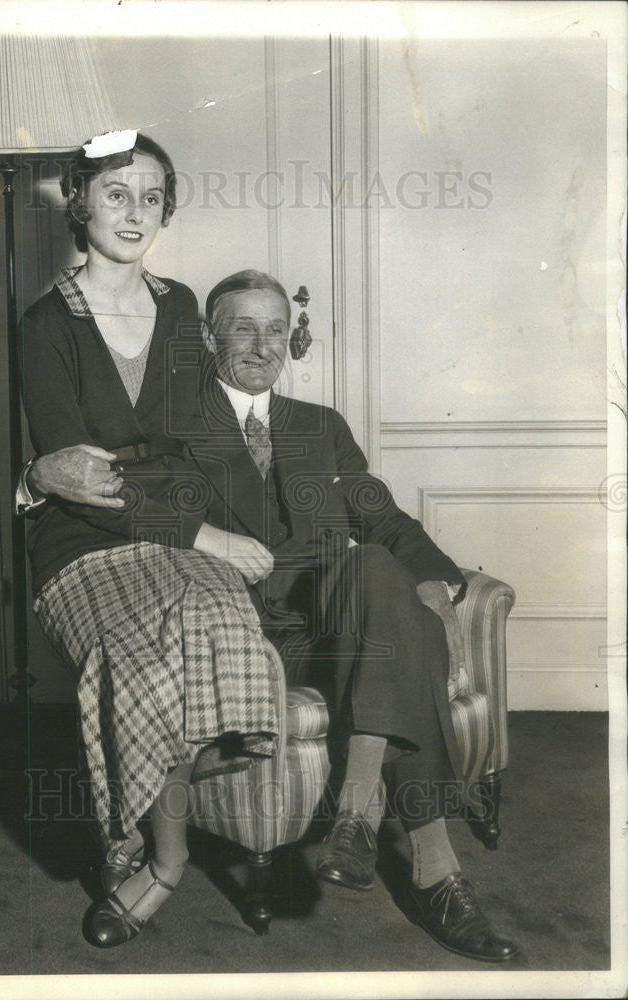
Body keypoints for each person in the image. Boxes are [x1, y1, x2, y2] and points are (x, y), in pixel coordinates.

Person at [25, 269, 520, 962]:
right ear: (209, 336)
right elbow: (132, 512)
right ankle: (430, 868)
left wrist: (438, 583)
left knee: (383, 572)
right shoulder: (167, 428)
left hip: (333, 621)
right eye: (244, 328)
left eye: (276, 330)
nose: (262, 345)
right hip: (236, 631)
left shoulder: (319, 426)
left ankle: (368, 822)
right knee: (394, 628)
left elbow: (384, 520)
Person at [17, 134, 282, 949]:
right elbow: (86, 484)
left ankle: (159, 780)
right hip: (81, 541)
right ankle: (158, 864)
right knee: (137, 655)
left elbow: (189, 446)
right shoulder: (43, 325)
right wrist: (206, 535)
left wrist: (231, 525)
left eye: (153, 195)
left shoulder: (177, 306)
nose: (136, 212)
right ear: (79, 201)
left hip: (178, 526)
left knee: (222, 626)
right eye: (117, 193)